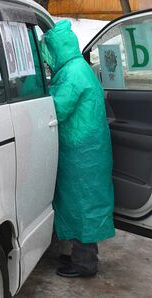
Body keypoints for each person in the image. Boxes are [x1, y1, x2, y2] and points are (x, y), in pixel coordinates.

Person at [39, 20, 115, 278]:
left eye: (49, 52)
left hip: (83, 156)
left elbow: (56, 110)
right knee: (80, 204)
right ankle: (79, 254)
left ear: (57, 49)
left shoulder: (72, 75)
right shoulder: (78, 68)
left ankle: (85, 264)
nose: (47, 59)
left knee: (82, 206)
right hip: (87, 153)